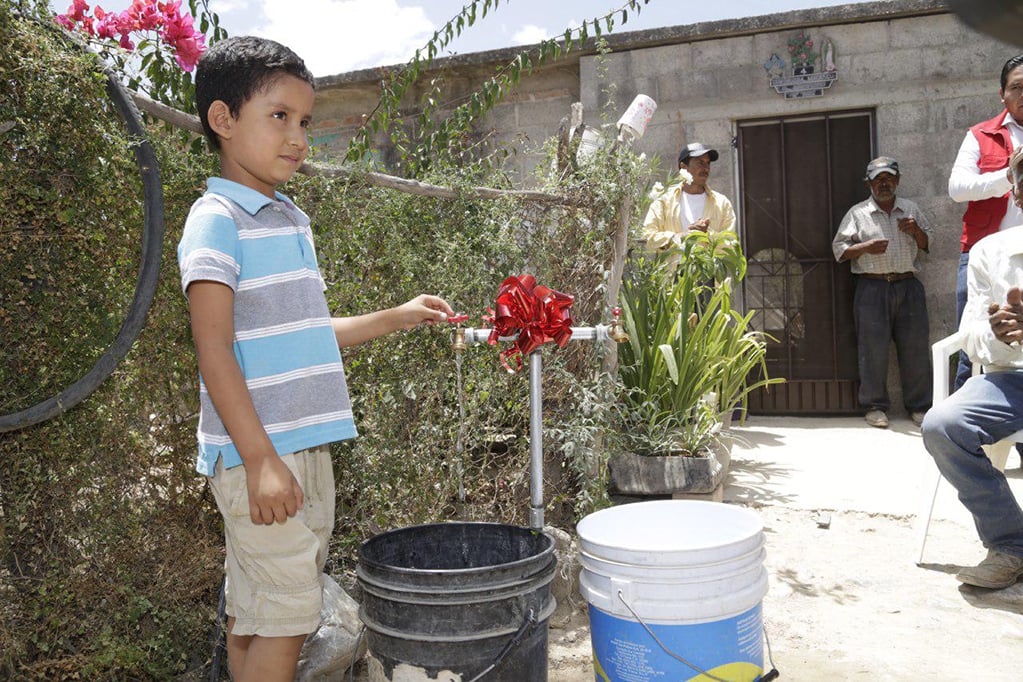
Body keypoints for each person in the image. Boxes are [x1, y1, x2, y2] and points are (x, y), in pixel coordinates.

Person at [177, 36, 453, 682]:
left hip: (302, 449)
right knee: (290, 615)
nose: (298, 137)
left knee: (262, 614)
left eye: (305, 121)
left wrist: (395, 316)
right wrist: (261, 460)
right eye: (279, 117)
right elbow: (212, 347)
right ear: (223, 120)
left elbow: (302, 330)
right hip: (260, 455)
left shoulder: (289, 218)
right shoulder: (216, 219)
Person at [921, 147, 1023, 591]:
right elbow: (973, 338)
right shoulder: (990, 252)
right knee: (942, 425)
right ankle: (1011, 544)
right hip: (1011, 378)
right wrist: (999, 333)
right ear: (1016, 192)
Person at [832, 157, 932, 429]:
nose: (883, 183)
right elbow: (839, 250)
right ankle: (875, 406)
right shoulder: (858, 213)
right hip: (871, 287)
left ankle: (920, 406)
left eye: (888, 178)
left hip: (908, 285)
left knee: (915, 349)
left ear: (897, 181)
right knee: (872, 349)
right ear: (869, 183)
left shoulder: (910, 210)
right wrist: (865, 247)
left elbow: (927, 245)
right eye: (878, 179)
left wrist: (916, 231)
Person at [948, 54, 1023, 391]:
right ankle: (968, 421)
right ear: (1002, 95)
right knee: (974, 341)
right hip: (984, 256)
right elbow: (957, 188)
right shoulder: (980, 135)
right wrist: (1008, 177)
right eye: (1017, 87)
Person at [642, 141, 736, 250]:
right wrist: (683, 237)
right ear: (683, 167)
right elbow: (648, 236)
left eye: (708, 163)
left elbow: (729, 243)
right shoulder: (664, 202)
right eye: (700, 163)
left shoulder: (722, 204)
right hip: (674, 267)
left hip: (707, 267)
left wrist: (705, 235)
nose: (706, 168)